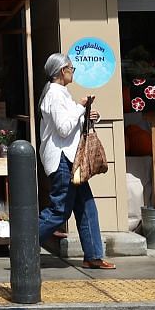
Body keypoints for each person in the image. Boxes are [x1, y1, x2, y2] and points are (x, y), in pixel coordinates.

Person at [37, 52, 111, 269]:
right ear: (62, 70)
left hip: (70, 159)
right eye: (71, 68)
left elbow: (71, 127)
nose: (73, 72)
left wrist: (87, 116)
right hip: (62, 159)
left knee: (86, 206)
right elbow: (63, 128)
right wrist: (80, 106)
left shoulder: (61, 94)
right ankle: (24, 244)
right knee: (60, 209)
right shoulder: (55, 95)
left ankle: (94, 256)